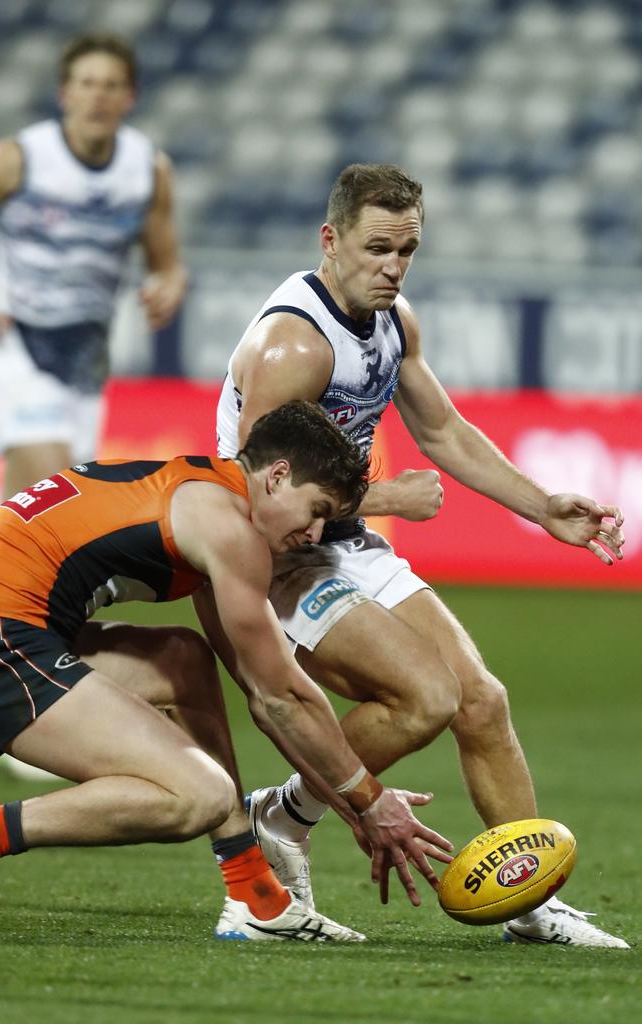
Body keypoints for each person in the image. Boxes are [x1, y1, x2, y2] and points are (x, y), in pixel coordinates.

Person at [203, 163, 630, 949]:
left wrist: (542, 508)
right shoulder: (293, 344)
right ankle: (288, 813)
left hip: (342, 539)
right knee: (425, 697)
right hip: (274, 556)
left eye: (408, 251)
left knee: (482, 701)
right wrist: (386, 499)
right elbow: (252, 493)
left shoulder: (394, 319)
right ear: (331, 241)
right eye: (377, 249)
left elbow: (442, 431)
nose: (393, 268)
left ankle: (531, 904)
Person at [0, 401, 453, 942]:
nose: (316, 534)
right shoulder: (230, 531)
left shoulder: (204, 489)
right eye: (318, 511)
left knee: (184, 660)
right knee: (198, 796)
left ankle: (254, 894)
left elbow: (263, 694)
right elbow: (283, 697)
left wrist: (348, 790)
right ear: (277, 476)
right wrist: (367, 798)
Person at [0, 33, 188, 780]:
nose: (98, 95)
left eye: (112, 84)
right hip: (20, 357)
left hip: (85, 368)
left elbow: (166, 255)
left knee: (41, 542)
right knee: (47, 530)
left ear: (129, 96)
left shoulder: (148, 169)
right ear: (64, 92)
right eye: (85, 82)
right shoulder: (20, 158)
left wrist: (167, 284)